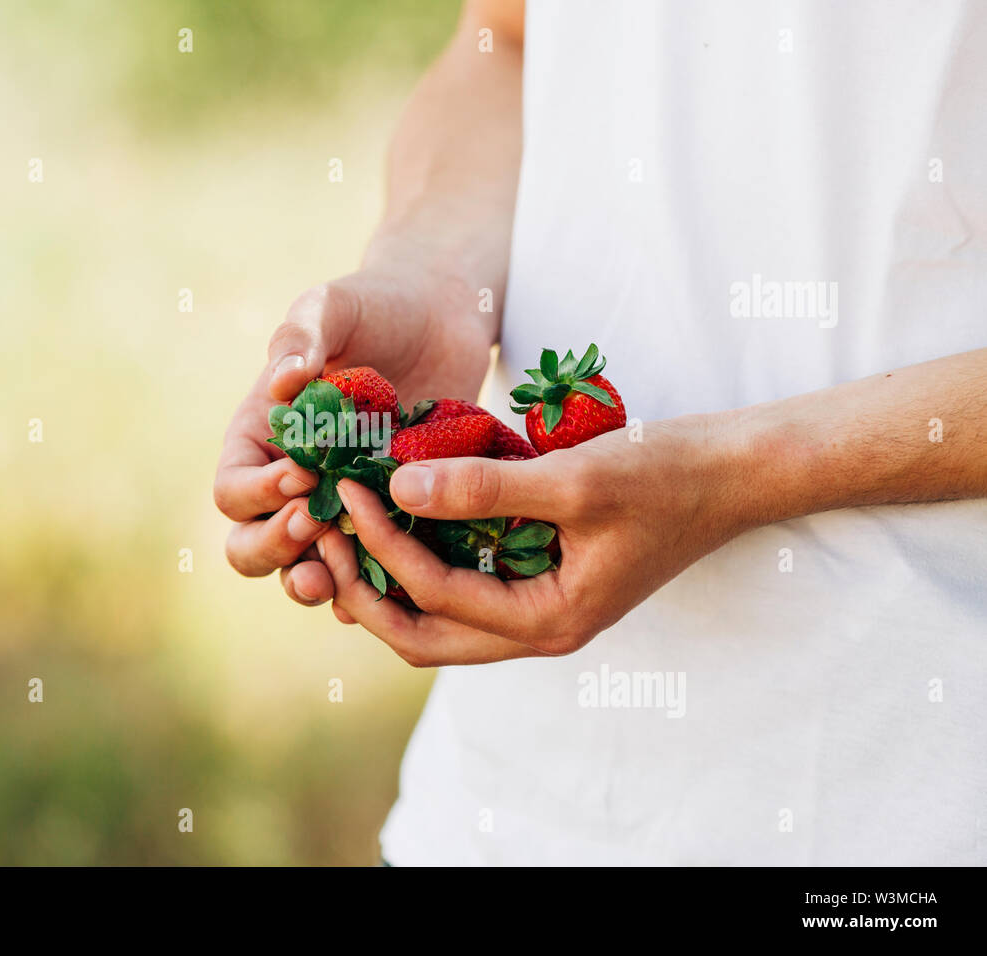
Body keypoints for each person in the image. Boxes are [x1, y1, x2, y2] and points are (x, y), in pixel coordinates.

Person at [213, 0, 987, 865]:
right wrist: (433, 279)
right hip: (507, 807)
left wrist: (744, 473)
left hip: (905, 809)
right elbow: (502, 43)